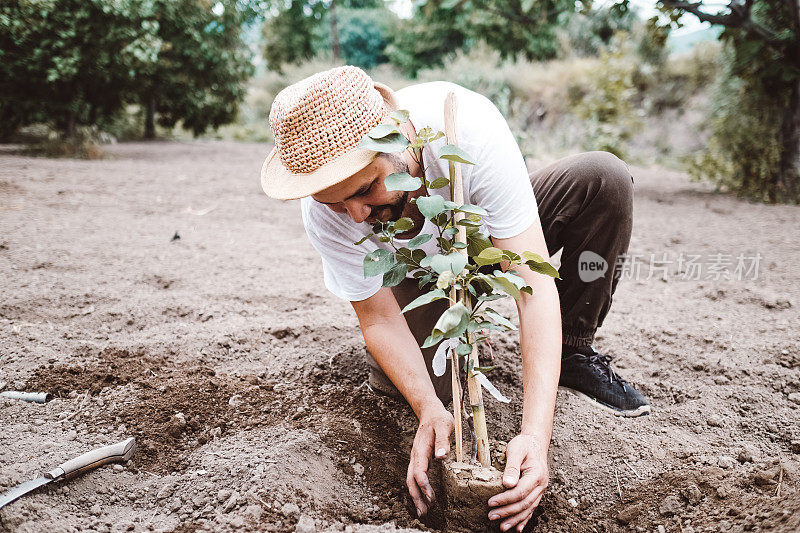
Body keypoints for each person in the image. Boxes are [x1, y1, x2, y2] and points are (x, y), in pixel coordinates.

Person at [260, 65, 650, 532]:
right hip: (413, 272)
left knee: (602, 178)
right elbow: (379, 320)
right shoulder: (327, 208)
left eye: (365, 189)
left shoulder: (469, 130)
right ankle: (436, 340)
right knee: (435, 393)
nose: (356, 215)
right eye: (335, 203)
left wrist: (535, 436)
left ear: (398, 137)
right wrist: (427, 407)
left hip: (483, 239)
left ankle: (571, 351)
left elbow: (533, 283)